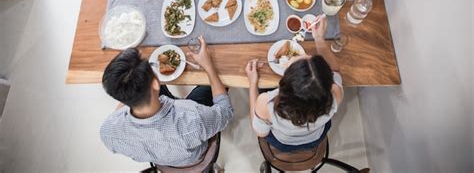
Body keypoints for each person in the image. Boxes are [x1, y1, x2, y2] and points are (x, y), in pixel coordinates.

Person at [100, 36, 233, 166]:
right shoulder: (193, 117)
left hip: (164, 160)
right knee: (217, 79)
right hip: (193, 156)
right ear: (155, 84)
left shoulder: (108, 132)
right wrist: (208, 66)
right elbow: (225, 111)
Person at [245, 17, 343, 152]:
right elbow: (336, 70)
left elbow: (260, 133)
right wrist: (319, 38)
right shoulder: (336, 93)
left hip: (284, 141)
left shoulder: (266, 103)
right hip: (315, 137)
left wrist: (252, 83)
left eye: (292, 63)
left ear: (284, 82)